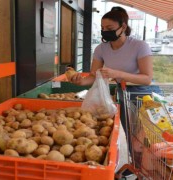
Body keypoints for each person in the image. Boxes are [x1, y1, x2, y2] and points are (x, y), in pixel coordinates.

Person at [69, 6, 161, 177]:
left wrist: (117, 74)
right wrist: (80, 81)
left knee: (143, 142)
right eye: (103, 29)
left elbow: (147, 78)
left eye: (110, 29)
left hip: (144, 95)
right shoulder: (101, 49)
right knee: (128, 137)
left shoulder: (139, 46)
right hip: (123, 94)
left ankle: (146, 172)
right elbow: (93, 76)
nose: (105, 32)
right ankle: (131, 170)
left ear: (123, 27)